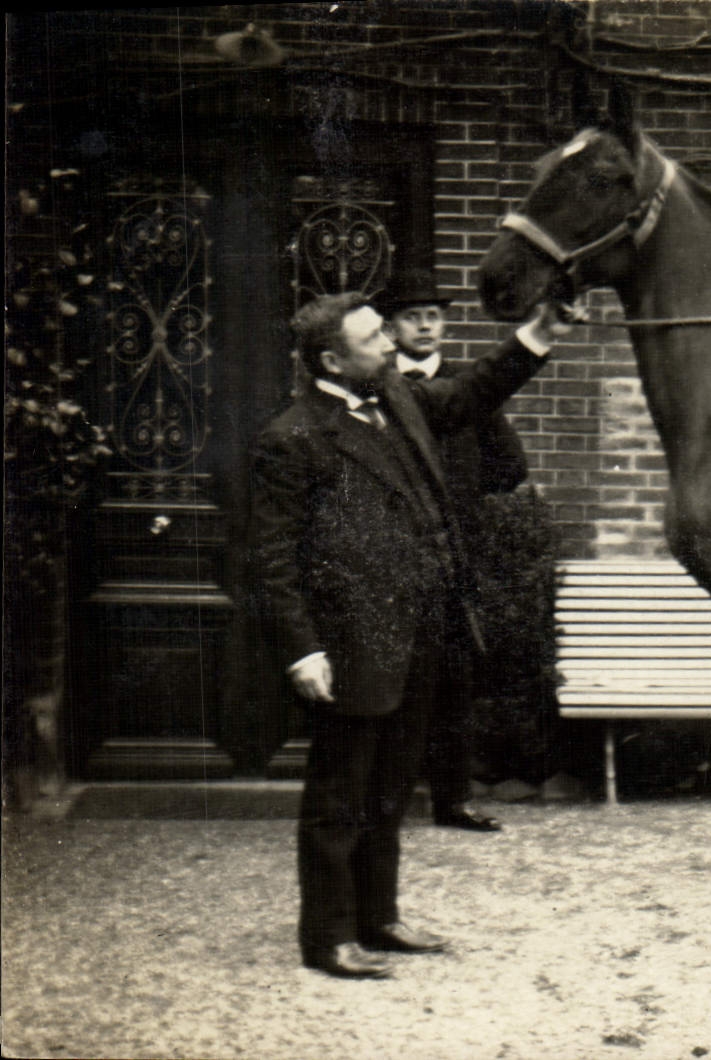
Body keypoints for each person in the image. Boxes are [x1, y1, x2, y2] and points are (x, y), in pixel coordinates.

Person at [251, 290, 559, 979]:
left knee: (390, 790)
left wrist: (536, 333)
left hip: (421, 634)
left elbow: (473, 393)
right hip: (353, 644)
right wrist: (302, 649)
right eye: (373, 339)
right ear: (332, 358)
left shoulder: (399, 402)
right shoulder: (294, 437)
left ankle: (379, 919)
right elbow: (271, 560)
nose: (392, 345)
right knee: (339, 796)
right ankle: (328, 938)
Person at [378, 267, 528, 834]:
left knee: (453, 679)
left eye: (433, 317)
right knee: (392, 674)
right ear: (390, 330)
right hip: (392, 550)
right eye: (412, 318)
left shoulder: (470, 390)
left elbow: (511, 466)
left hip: (455, 554)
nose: (424, 327)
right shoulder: (380, 388)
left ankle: (452, 798)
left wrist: (461, 497)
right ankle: (386, 798)